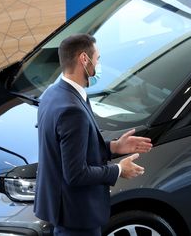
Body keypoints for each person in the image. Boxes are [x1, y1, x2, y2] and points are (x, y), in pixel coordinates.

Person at [34, 33, 153, 236]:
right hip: (77, 216)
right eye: (97, 59)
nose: (98, 65)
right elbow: (75, 173)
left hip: (61, 208)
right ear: (84, 59)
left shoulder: (53, 93)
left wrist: (113, 147)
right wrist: (118, 170)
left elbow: (69, 151)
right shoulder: (72, 110)